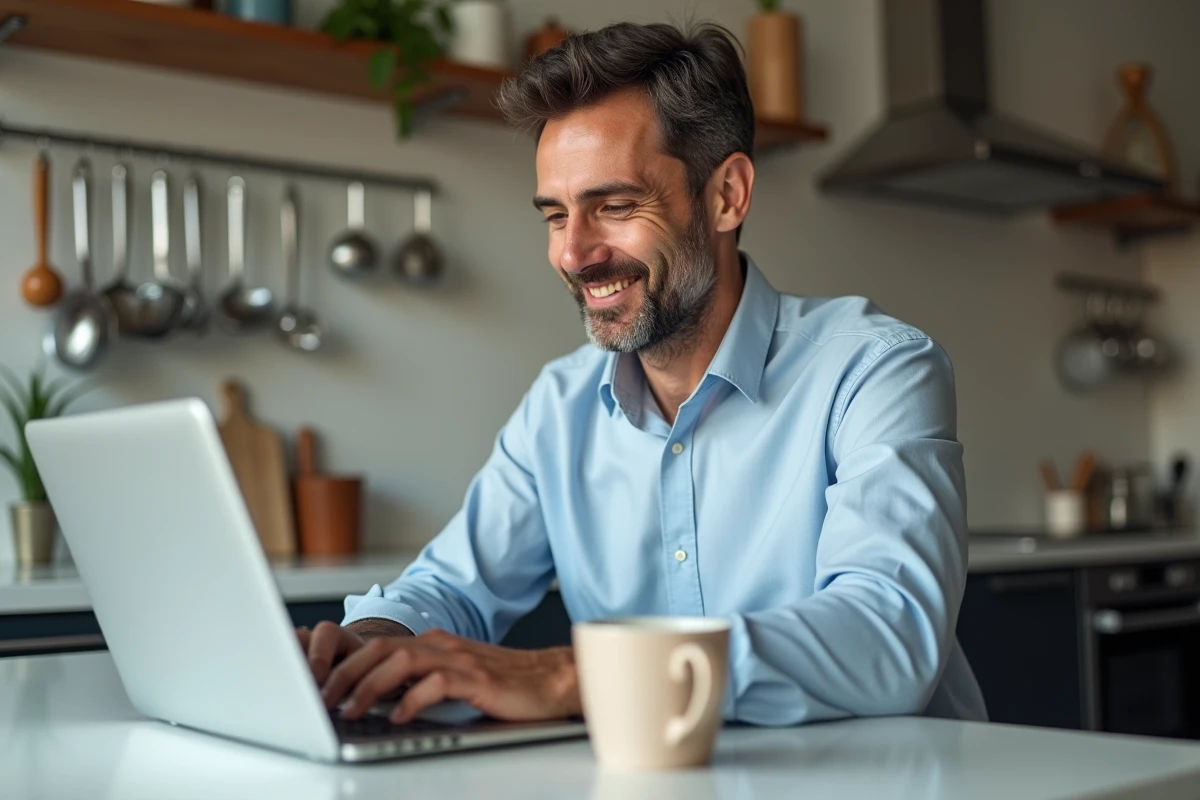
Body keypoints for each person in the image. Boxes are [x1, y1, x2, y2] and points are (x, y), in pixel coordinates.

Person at [299, 20, 987, 727]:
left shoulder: (874, 369)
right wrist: (364, 652)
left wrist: (578, 675)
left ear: (727, 195)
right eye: (555, 215)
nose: (573, 253)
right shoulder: (559, 407)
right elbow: (450, 587)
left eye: (615, 206)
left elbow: (888, 636)